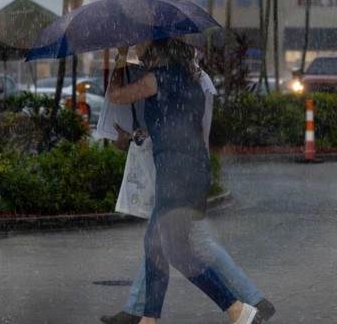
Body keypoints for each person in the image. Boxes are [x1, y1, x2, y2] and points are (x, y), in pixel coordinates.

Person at [101, 64, 275, 324]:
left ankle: (244, 305)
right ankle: (143, 314)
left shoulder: (185, 80)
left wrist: (120, 60)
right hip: (182, 173)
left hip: (182, 176)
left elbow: (190, 132)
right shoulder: (183, 78)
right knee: (159, 244)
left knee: (181, 247)